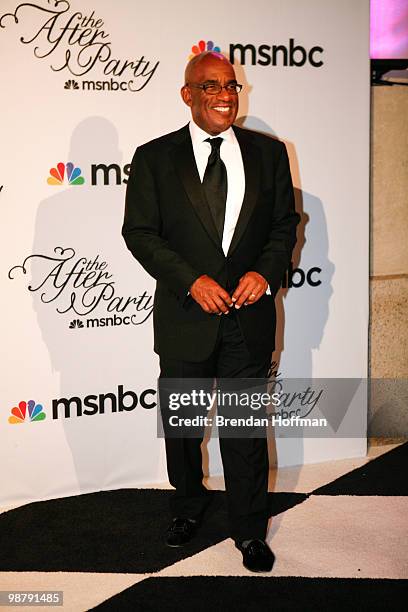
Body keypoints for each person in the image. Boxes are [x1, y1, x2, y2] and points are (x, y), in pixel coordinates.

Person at [123, 51, 299, 572]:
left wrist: (264, 274)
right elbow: (141, 233)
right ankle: (187, 505)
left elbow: (283, 226)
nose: (226, 95)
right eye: (211, 87)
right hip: (186, 317)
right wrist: (190, 281)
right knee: (183, 425)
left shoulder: (269, 154)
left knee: (244, 430)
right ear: (187, 95)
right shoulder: (155, 157)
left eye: (232, 86)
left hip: (249, 317)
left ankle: (250, 531)